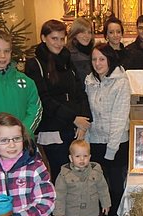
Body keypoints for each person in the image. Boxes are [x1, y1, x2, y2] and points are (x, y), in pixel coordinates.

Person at [25, 19, 92, 183]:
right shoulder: (35, 64)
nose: (59, 43)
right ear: (43, 38)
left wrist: (84, 121)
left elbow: (80, 93)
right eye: (54, 38)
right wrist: (74, 118)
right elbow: (44, 99)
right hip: (53, 128)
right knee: (62, 178)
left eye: (62, 39)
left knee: (81, 176)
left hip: (75, 127)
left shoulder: (67, 60)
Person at [85, 43, 131, 216]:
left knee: (115, 180)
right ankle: (104, 210)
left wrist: (111, 148)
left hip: (116, 140)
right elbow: (88, 111)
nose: (97, 63)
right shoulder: (89, 80)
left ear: (110, 60)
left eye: (102, 59)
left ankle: (116, 213)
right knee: (99, 179)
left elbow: (120, 117)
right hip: (95, 138)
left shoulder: (121, 81)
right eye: (94, 59)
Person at [54, 140, 111, 216]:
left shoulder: (96, 171)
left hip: (91, 209)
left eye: (85, 156)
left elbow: (103, 188)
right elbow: (59, 194)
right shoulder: (64, 175)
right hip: (73, 211)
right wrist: (58, 211)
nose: (82, 159)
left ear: (90, 157)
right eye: (78, 156)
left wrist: (106, 203)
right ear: (71, 157)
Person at [67, 17, 95, 83]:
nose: (86, 36)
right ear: (74, 33)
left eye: (89, 32)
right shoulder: (69, 55)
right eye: (82, 32)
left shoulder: (94, 52)